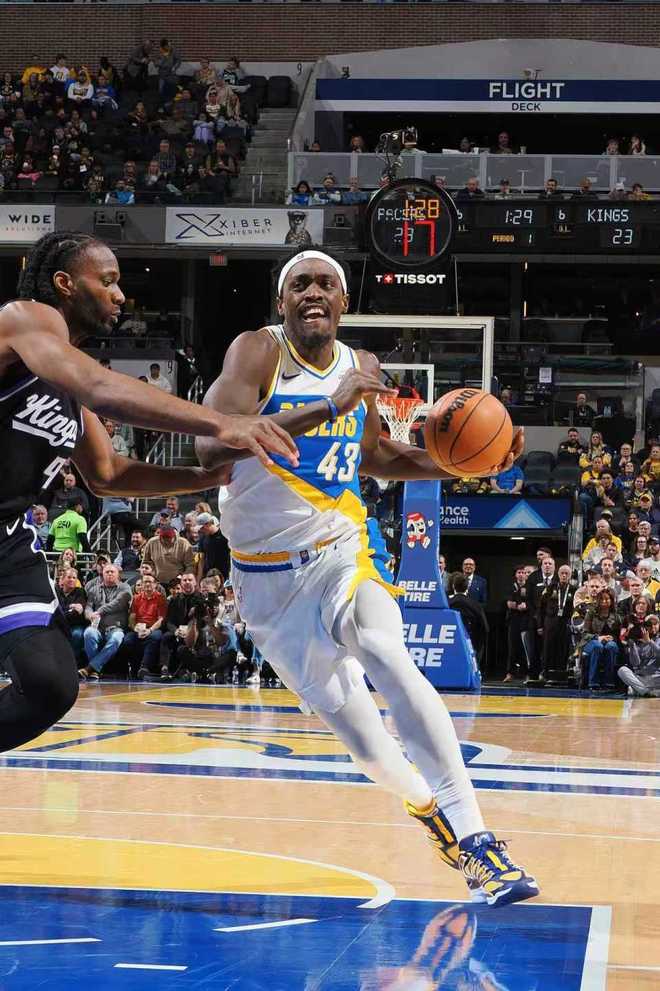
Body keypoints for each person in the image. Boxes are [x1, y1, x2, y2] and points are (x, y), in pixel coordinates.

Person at [195, 248, 537, 907]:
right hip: (267, 584)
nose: (313, 292)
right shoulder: (257, 353)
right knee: (372, 752)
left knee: (383, 646)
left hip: (344, 547)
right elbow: (212, 446)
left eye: (325, 283)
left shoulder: (361, 368)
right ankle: (429, 811)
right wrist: (329, 406)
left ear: (344, 301)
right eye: (300, 284)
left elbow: (377, 456)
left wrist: (469, 464)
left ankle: (478, 839)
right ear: (281, 302)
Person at [0, 230, 297, 757]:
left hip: (8, 544)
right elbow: (100, 389)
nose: (120, 295)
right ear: (64, 284)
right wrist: (222, 423)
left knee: (49, 684)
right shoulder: (25, 319)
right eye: (108, 281)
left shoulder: (67, 386)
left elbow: (109, 474)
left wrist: (206, 478)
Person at [581, 589, 622, 691]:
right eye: (602, 599)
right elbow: (584, 633)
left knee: (611, 646)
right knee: (597, 646)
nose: (604, 601)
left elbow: (619, 634)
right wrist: (598, 638)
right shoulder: (591, 613)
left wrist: (612, 638)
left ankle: (609, 682)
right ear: (598, 600)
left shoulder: (616, 615)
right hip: (591, 641)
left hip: (610, 641)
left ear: (611, 600)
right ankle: (593, 682)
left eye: (607, 599)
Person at [448, 574, 489, 670]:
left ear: (453, 586)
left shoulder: (447, 604)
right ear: (467, 587)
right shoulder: (476, 605)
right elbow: (485, 628)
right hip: (471, 645)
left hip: (450, 644)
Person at [504, 565, 529, 682]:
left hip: (526, 620)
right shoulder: (510, 587)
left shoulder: (530, 587)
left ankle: (527, 673)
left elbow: (532, 602)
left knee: (525, 647)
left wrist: (526, 606)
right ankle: (510, 673)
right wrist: (519, 606)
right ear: (515, 574)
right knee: (512, 647)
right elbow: (509, 604)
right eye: (519, 572)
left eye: (523, 572)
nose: (521, 574)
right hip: (513, 620)